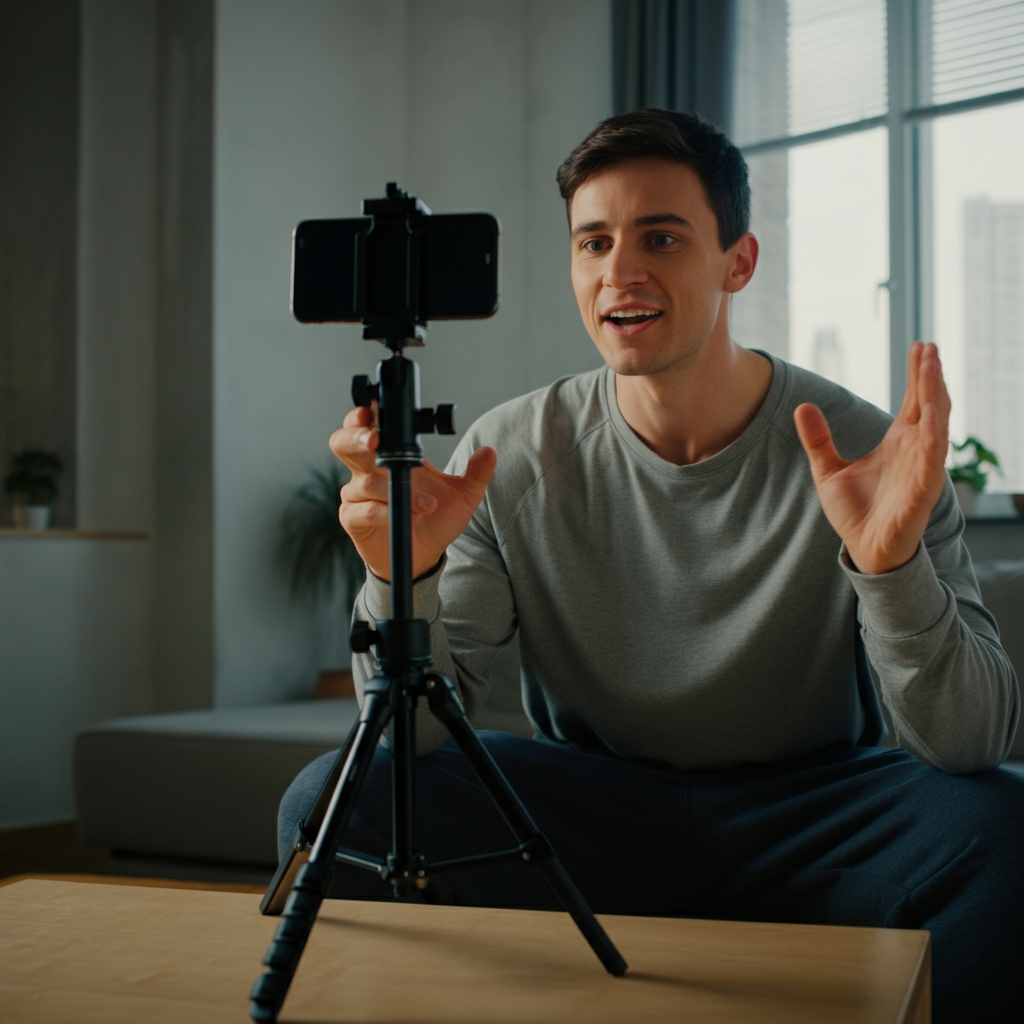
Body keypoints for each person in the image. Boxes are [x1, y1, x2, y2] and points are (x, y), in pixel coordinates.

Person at [279, 109, 1022, 1022]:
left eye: (661, 238)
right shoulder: (505, 451)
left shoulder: (868, 448)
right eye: (594, 242)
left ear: (737, 262)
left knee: (1007, 827)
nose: (619, 272)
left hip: (812, 813)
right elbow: (408, 740)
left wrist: (894, 565)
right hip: (594, 811)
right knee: (330, 803)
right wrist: (404, 578)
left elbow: (970, 744)